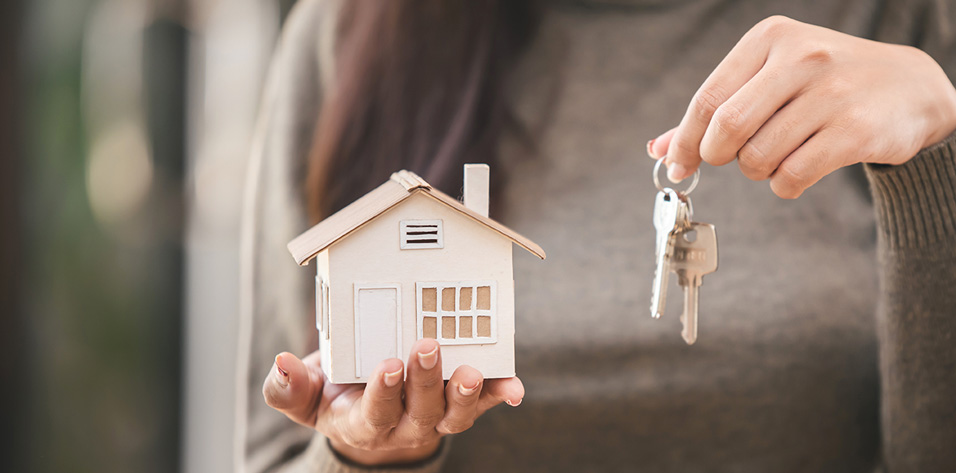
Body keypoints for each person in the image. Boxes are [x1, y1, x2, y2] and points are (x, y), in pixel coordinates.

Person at [235, 0, 956, 471]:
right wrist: (364, 456)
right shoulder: (352, 30)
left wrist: (941, 146)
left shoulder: (902, 21)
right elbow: (269, 452)